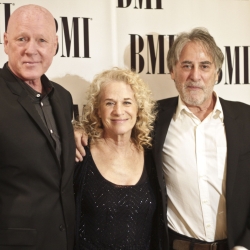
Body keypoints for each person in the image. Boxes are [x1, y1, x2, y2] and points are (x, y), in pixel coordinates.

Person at [76, 28, 250, 250]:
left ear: (216, 73)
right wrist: (75, 131)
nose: (195, 75)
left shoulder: (246, 120)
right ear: (172, 71)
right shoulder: (154, 119)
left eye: (204, 66)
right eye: (186, 65)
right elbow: (116, 125)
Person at [0, 4, 75, 250]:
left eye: (41, 40)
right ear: (6, 42)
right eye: (22, 39)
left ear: (54, 45)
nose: (31, 50)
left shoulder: (62, 97)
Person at [73, 68, 166, 249]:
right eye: (109, 103)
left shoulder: (151, 155)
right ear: (98, 110)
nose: (118, 111)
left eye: (127, 102)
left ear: (138, 109)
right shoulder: (80, 153)